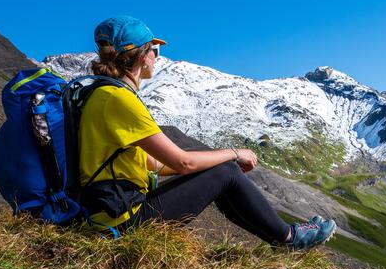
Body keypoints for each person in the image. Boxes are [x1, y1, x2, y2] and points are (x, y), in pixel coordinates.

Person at [78, 15, 336, 249]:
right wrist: (233, 154)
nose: (157, 56)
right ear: (141, 55)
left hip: (109, 215)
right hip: (124, 222)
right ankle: (290, 238)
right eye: (154, 50)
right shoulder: (118, 99)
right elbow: (183, 163)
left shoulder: (102, 95)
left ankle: (282, 240)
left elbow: (153, 163)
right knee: (226, 171)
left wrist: (216, 162)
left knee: (220, 169)